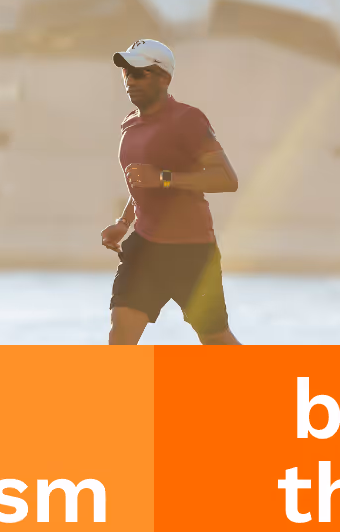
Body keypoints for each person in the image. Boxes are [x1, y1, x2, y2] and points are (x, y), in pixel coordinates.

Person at [100, 39, 242, 345]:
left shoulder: (187, 120)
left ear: (165, 78)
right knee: (120, 334)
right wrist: (123, 223)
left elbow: (226, 179)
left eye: (140, 73)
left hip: (190, 252)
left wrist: (164, 178)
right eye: (126, 73)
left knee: (216, 340)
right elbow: (140, 182)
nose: (130, 81)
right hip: (144, 248)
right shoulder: (130, 123)